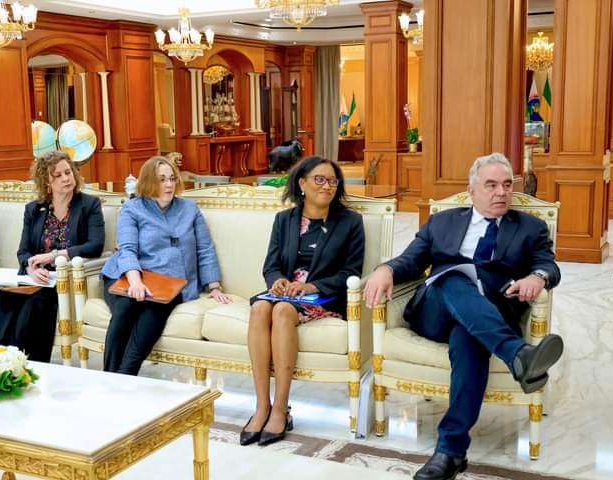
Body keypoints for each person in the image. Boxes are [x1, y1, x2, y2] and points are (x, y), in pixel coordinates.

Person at [363, 153, 563, 480]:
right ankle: (517, 353)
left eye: (507, 185)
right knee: (453, 276)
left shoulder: (531, 228)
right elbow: (411, 260)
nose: (501, 192)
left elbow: (548, 264)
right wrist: (385, 269)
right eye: (491, 185)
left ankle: (450, 452)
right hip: (435, 313)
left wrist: (537, 277)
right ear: (472, 191)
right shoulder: (441, 222)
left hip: (486, 317)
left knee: (469, 339)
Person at [241, 156, 365, 447]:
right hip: (286, 292)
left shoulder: (350, 222)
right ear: (302, 184)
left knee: (282, 311)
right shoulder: (284, 220)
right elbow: (271, 265)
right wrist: (277, 281)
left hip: (324, 296)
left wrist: (312, 285)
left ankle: (281, 409)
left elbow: (351, 272)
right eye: (319, 179)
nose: (327, 186)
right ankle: (262, 406)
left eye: (332, 181)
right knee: (259, 308)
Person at [101, 156, 231, 375]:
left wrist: (214, 286)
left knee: (153, 313)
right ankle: (109, 377)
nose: (169, 184)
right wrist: (136, 282)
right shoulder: (132, 208)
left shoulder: (189, 209)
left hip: (169, 283)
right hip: (127, 275)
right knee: (125, 309)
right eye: (162, 180)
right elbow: (127, 249)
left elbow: (205, 248)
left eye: (172, 178)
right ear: (148, 182)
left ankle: (126, 376)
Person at [0, 151, 105, 362]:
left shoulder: (89, 205)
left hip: (65, 279)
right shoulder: (34, 209)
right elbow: (23, 251)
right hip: (37, 278)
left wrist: (55, 256)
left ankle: (28, 364)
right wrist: (31, 268)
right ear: (46, 182)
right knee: (3, 297)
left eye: (68, 172)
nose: (66, 178)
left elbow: (95, 246)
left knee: (34, 303)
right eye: (57, 175)